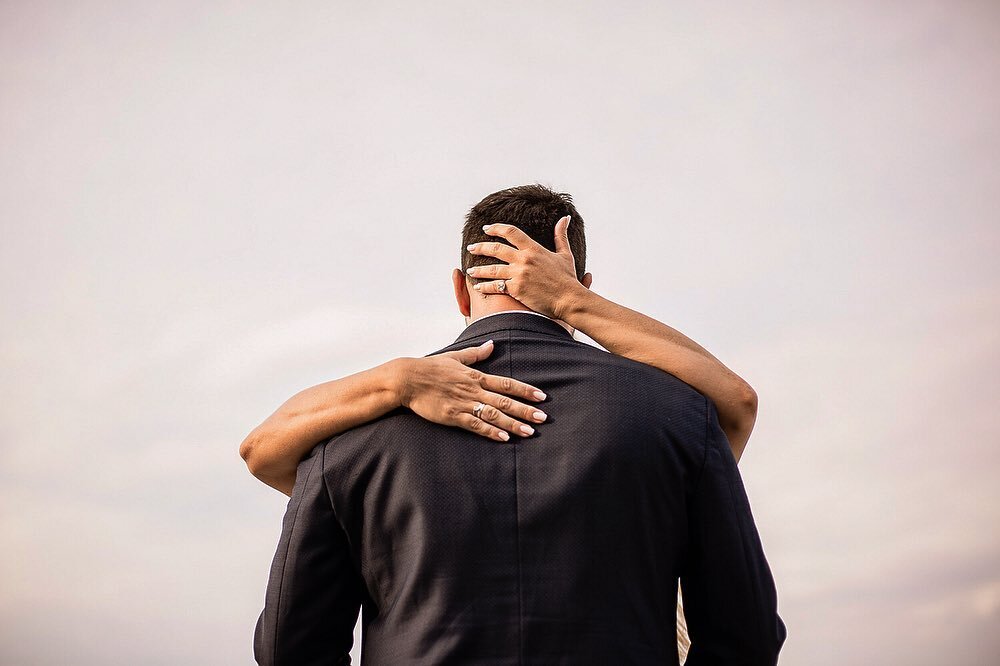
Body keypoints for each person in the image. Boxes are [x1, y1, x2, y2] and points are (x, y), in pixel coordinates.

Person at [244, 184, 786, 664]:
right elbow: (747, 640)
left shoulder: (347, 436)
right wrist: (579, 302)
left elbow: (289, 650)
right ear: (584, 282)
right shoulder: (680, 414)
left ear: (460, 289)